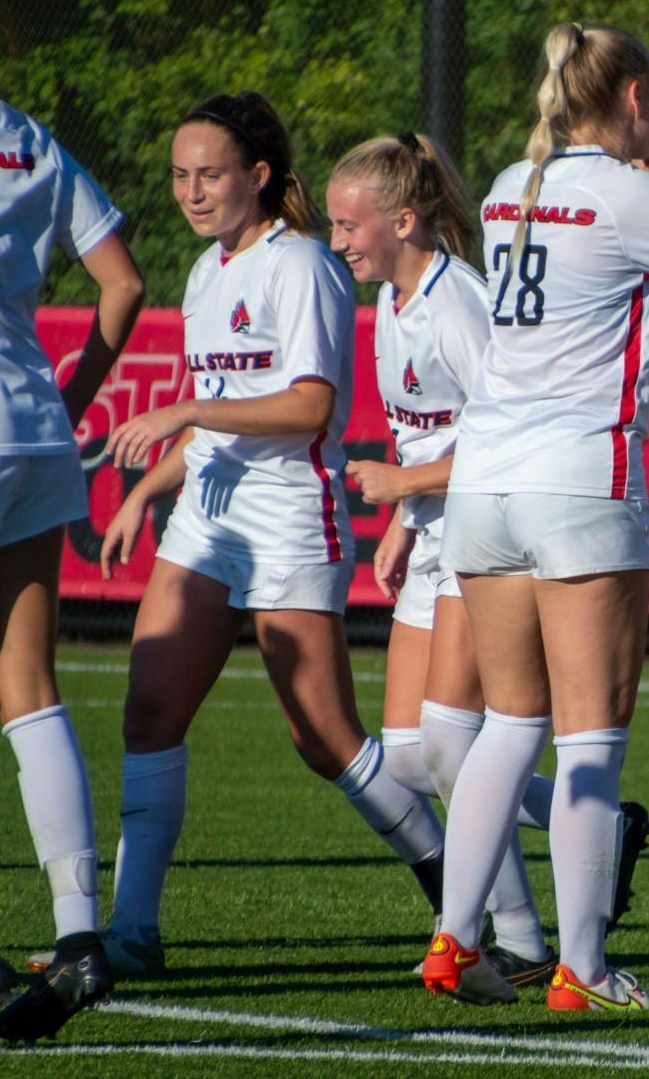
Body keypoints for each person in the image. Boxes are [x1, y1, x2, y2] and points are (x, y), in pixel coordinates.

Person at [422, 23, 649, 1013]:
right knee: (589, 739)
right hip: (579, 481)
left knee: (509, 722)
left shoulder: (508, 183)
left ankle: (454, 937)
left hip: (484, 483)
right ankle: (582, 964)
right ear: (633, 98)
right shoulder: (632, 193)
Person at [97, 92, 446, 973]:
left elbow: (308, 406)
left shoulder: (303, 267)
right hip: (208, 518)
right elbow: (221, 423)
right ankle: (131, 934)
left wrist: (181, 409)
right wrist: (151, 493)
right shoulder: (205, 272)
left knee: (324, 737)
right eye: (180, 175)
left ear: (259, 175)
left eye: (210, 174)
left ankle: (461, 887)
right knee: (150, 710)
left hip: (290, 513)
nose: (192, 191)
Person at [0, 0, 144, 1040]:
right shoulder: (25, 135)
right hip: (28, 419)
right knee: (27, 688)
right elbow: (123, 283)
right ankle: (79, 936)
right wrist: (68, 403)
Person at [327, 131, 563, 991]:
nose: (340, 241)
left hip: (483, 533)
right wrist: (402, 516)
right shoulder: (392, 301)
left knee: (458, 749)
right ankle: (599, 826)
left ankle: (523, 940)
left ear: (405, 218)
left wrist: (402, 483)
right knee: (408, 754)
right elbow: (429, 427)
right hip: (433, 528)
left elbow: (504, 430)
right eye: (335, 226)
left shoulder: (456, 299)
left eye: (352, 225)